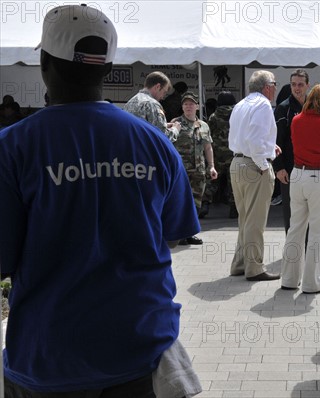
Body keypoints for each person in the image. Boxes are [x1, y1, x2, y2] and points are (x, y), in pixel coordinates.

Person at [0, 5, 201, 396]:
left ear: (44, 63)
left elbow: (4, 258)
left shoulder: (13, 147)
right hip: (141, 352)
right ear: (108, 69)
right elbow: (174, 236)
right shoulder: (154, 142)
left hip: (49, 358)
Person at [280, 84, 320, 294]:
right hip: (319, 176)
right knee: (317, 232)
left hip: (298, 173)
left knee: (295, 228)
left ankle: (289, 278)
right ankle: (311, 282)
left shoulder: (296, 120)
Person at [229, 70, 281, 281]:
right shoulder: (263, 105)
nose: (276, 88)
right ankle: (255, 267)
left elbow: (244, 136)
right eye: (275, 84)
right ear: (267, 86)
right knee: (255, 221)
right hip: (252, 165)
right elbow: (254, 138)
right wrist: (263, 163)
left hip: (238, 162)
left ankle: (240, 264)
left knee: (245, 218)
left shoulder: (241, 104)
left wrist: (269, 148)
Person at [171, 91, 218, 245]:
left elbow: (208, 147)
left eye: (191, 104)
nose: (188, 106)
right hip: (181, 171)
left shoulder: (203, 125)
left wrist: (212, 166)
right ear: (182, 106)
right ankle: (180, 234)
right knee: (180, 202)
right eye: (185, 104)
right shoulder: (175, 123)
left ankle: (190, 233)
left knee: (196, 203)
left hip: (199, 170)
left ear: (197, 106)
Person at [273, 69, 310, 235]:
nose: (297, 88)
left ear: (307, 85)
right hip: (289, 168)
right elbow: (275, 141)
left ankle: (312, 243)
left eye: (301, 84)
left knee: (312, 208)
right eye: (294, 84)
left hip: (312, 168)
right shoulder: (283, 108)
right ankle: (292, 245)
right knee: (291, 210)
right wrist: (278, 168)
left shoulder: (314, 106)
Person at [124, 71, 181, 142]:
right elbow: (162, 137)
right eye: (164, 92)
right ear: (158, 87)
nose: (163, 97)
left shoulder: (131, 101)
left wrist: (164, 125)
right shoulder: (152, 104)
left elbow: (142, 127)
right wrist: (175, 129)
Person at [207, 91, 238, 218]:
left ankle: (204, 204)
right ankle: (234, 209)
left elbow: (209, 134)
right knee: (233, 182)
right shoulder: (237, 114)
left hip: (217, 153)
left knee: (212, 180)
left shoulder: (214, 116)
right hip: (233, 153)